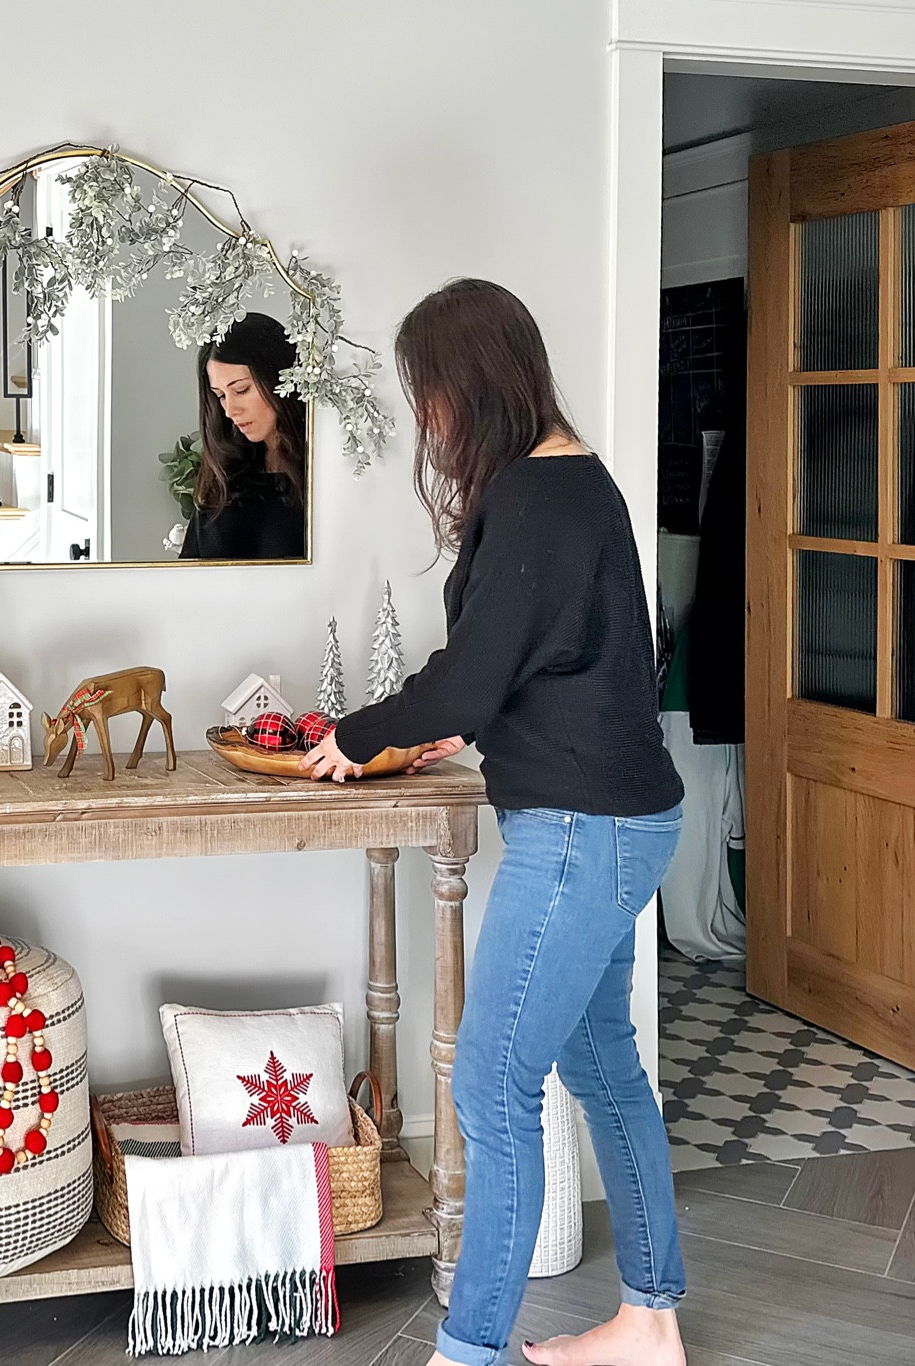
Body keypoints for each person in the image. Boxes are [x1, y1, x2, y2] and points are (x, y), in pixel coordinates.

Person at [301, 279, 688, 1366]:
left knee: (489, 1083)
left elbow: (471, 676)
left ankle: (466, 1353)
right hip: (622, 818)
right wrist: (442, 730)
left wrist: (364, 731)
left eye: (428, 395)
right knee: (602, 1062)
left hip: (578, 834)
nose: (426, 420)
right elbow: (553, 666)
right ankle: (648, 1322)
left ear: (464, 387)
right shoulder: (581, 482)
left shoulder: (528, 495)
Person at [180, 311, 307, 560]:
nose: (230, 410)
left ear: (279, 377)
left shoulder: (322, 470)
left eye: (241, 389)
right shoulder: (223, 470)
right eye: (221, 395)